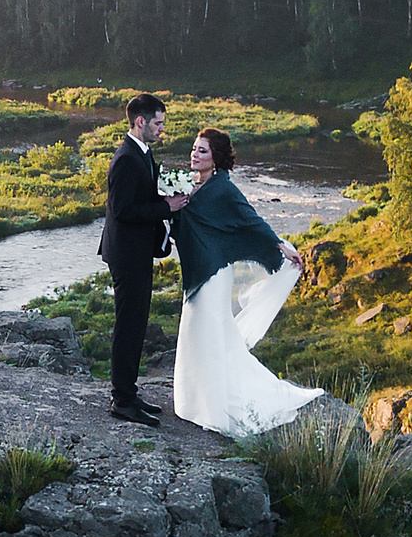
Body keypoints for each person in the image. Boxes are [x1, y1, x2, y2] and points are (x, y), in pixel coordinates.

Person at [168, 125, 320, 436]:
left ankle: (215, 407)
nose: (194, 154)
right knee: (199, 336)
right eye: (194, 149)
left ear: (217, 158)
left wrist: (282, 246)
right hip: (197, 272)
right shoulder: (188, 186)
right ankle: (194, 402)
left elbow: (250, 220)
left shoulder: (223, 189)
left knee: (209, 336)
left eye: (202, 151)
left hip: (215, 275)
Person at [95, 93, 184, 425]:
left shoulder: (142, 153)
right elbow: (121, 210)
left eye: (163, 123)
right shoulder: (127, 159)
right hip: (126, 255)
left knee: (136, 324)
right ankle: (122, 400)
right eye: (158, 123)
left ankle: (129, 393)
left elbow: (138, 198)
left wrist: (164, 197)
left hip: (134, 252)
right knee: (128, 326)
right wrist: (166, 208)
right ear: (140, 122)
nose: (162, 129)